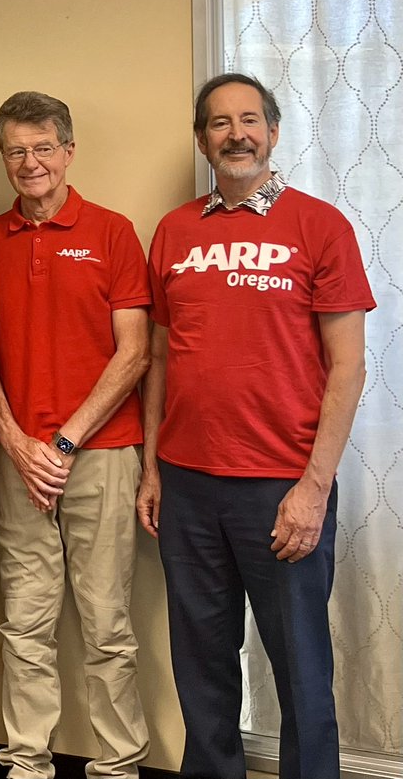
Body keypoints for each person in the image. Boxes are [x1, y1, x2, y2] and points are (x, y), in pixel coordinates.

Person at [138, 73, 375, 779]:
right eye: (219, 122)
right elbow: (158, 357)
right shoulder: (175, 231)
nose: (235, 134)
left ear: (272, 132)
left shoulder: (320, 226)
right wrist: (152, 468)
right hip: (187, 484)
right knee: (201, 666)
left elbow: (348, 368)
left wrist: (314, 488)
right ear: (201, 139)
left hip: (281, 486)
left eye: (249, 120)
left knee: (301, 668)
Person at [0, 91, 152, 779]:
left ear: (69, 151)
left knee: (107, 626)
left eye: (43, 147)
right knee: (25, 623)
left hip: (100, 454)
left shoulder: (113, 232)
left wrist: (65, 442)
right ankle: (27, 764)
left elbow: (134, 353)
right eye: (15, 151)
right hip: (16, 459)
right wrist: (18, 442)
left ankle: (118, 767)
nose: (30, 162)